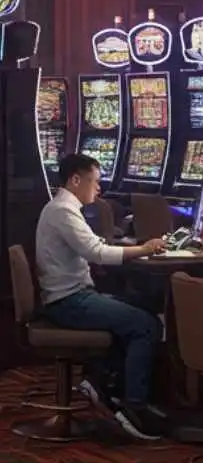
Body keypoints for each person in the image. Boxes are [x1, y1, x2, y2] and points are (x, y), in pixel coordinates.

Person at [36, 153, 167, 440]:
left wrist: (133, 247)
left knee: (145, 310)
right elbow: (97, 253)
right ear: (75, 180)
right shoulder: (63, 210)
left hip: (72, 296)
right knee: (144, 325)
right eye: (95, 181)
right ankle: (135, 407)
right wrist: (145, 248)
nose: (99, 189)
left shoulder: (63, 208)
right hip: (69, 302)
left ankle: (103, 381)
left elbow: (93, 246)